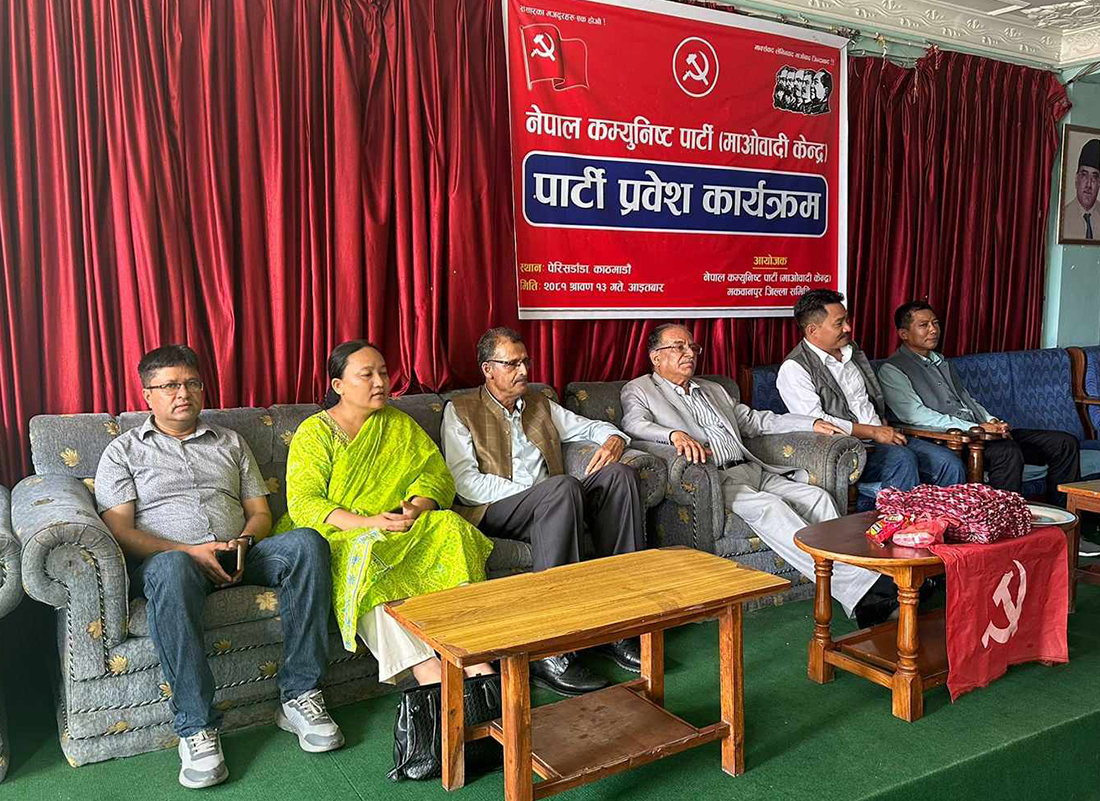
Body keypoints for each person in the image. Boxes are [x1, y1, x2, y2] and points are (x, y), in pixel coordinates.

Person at [96, 345, 343, 790]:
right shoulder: (123, 451)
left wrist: (244, 542)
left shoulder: (230, 441)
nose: (183, 393)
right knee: (171, 569)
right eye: (170, 386)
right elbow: (120, 531)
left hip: (240, 552)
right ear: (147, 394)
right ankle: (196, 726)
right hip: (174, 564)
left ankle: (300, 695)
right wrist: (192, 552)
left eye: (191, 383)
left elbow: (260, 512)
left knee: (307, 543)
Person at [620, 324, 893, 627]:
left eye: (693, 347)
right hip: (715, 480)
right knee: (771, 508)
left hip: (751, 469)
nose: (690, 353)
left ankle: (861, 583)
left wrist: (810, 423)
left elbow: (756, 420)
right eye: (679, 347)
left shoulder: (713, 389)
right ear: (656, 357)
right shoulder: (640, 389)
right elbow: (633, 425)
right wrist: (673, 435)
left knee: (818, 497)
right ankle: (869, 593)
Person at [276, 340, 496, 690]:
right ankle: (427, 671)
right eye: (366, 375)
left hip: (399, 525)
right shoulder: (315, 433)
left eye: (382, 372)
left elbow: (434, 476)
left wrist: (417, 507)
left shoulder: (398, 424)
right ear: (338, 385)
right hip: (341, 532)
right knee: (366, 553)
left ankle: (472, 652)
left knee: (451, 526)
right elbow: (305, 503)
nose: (380, 382)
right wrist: (369, 522)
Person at [442, 327, 645, 696]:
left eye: (525, 362)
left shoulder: (539, 403)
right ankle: (550, 650)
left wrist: (614, 439)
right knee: (562, 488)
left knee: (620, 476)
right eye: (512, 364)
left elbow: (591, 428)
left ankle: (619, 626)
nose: (523, 371)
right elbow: (465, 484)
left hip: (557, 501)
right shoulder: (460, 410)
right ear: (488, 369)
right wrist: (539, 493)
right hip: (496, 507)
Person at [880, 301, 1080, 507]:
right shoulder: (893, 369)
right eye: (924, 325)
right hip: (952, 440)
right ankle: (1003, 518)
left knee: (1064, 443)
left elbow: (967, 400)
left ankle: (1063, 514)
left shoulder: (940, 361)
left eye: (936, 323)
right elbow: (915, 416)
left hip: (982, 433)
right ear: (904, 333)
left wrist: (992, 421)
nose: (933, 330)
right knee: (1007, 451)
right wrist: (977, 428)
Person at [777, 290, 966, 509]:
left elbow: (869, 398)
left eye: (847, 320)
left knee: (949, 463)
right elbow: (818, 424)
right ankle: (899, 526)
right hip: (844, 450)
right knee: (901, 460)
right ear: (813, 330)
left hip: (882, 438)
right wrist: (874, 432)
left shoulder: (852, 351)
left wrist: (880, 426)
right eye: (839, 323)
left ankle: (946, 525)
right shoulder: (795, 368)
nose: (848, 328)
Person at [1062, 138, 1099, 240]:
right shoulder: (1063, 218)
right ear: (1076, 179)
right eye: (1084, 175)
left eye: (1094, 177)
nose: (1088, 184)